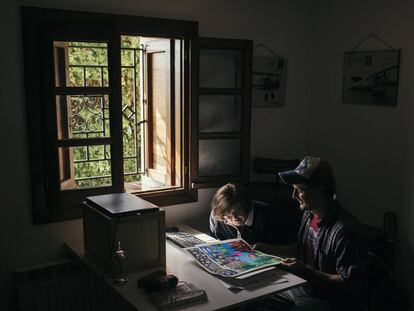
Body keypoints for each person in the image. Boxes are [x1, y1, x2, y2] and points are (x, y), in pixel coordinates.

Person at [253, 156, 369, 311]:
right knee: (253, 300)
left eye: (299, 190)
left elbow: (350, 284)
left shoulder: (345, 231)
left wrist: (308, 273)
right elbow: (300, 248)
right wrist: (267, 249)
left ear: (318, 191)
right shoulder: (309, 215)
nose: (293, 195)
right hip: (304, 287)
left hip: (330, 301)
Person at [209, 182, 296, 245]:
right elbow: (216, 241)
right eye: (228, 216)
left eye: (237, 211)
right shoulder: (216, 216)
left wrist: (268, 249)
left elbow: (287, 246)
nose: (234, 217)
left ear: (246, 205)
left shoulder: (267, 214)